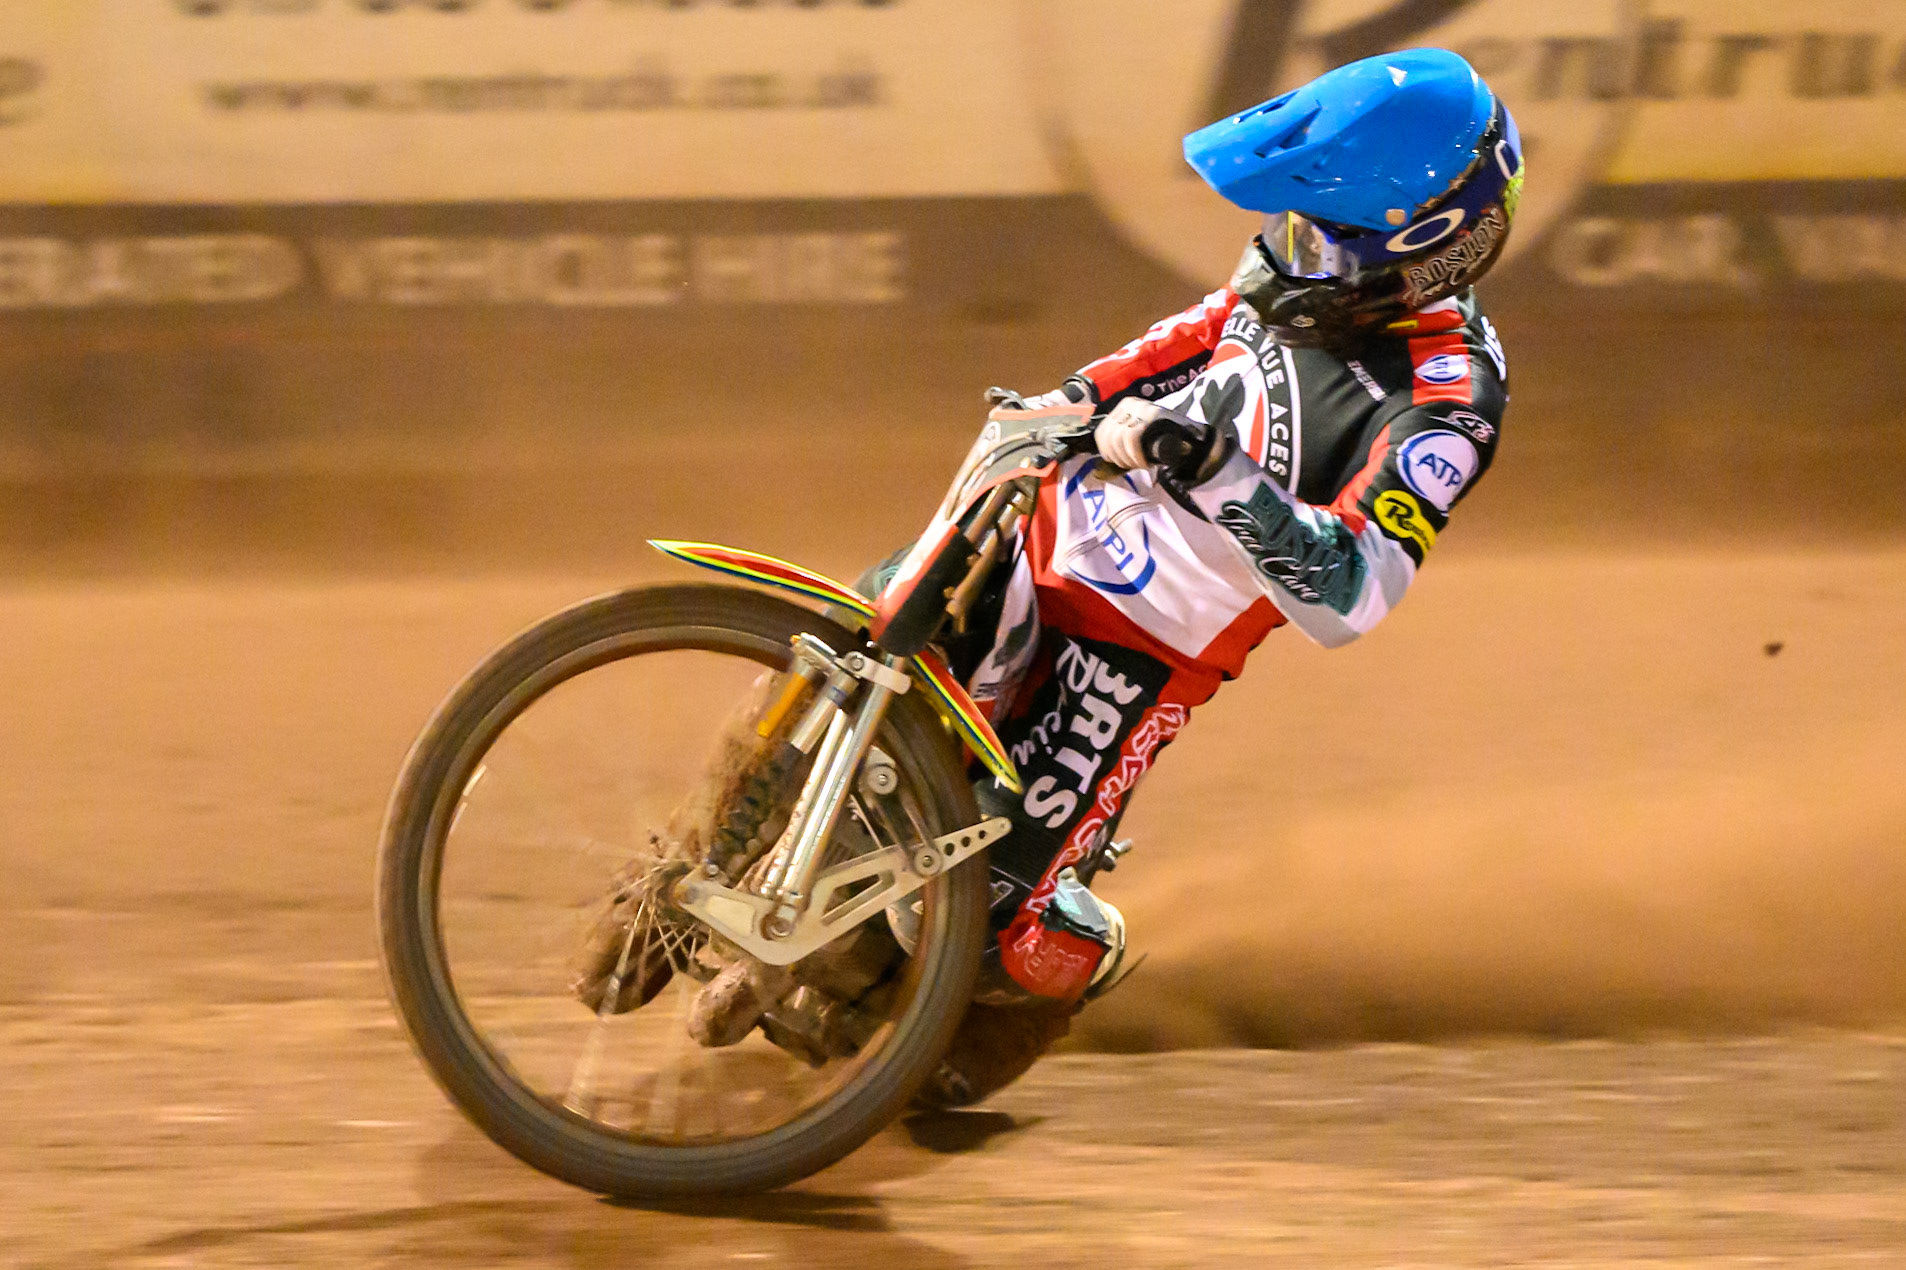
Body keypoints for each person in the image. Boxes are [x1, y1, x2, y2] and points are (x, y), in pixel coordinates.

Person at [898, 47, 1523, 1100]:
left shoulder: (1448, 398)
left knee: (1002, 936)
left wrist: (1217, 473)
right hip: (1039, 537)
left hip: (1138, 654)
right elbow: (1136, 365)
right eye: (1291, 230)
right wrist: (1052, 414)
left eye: (1318, 240)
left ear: (1414, 252)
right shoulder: (1278, 289)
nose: (1287, 258)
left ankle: (956, 1031)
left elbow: (1352, 593)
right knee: (870, 638)